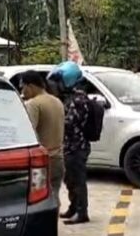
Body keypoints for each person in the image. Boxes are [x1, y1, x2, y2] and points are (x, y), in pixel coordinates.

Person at [48, 61, 91, 225]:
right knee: (70, 180)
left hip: (77, 147)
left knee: (78, 180)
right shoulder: (70, 98)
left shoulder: (78, 100)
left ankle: (82, 212)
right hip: (69, 147)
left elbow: (70, 123)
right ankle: (74, 207)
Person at [20, 70, 65, 206]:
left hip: (42, 162)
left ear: (31, 86)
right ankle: (53, 226)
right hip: (58, 158)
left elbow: (28, 133)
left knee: (39, 201)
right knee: (54, 196)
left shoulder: (33, 104)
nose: (22, 91)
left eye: (23, 87)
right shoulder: (57, 101)